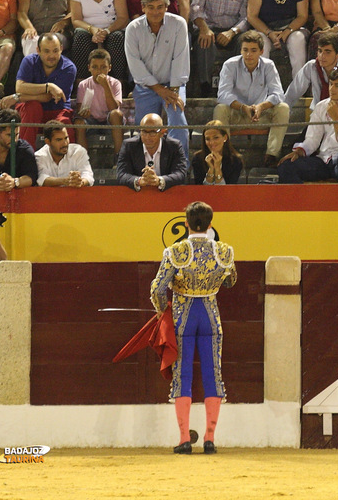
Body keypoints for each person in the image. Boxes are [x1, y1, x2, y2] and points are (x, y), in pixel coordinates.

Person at [150, 200, 237, 454]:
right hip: (210, 315)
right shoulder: (224, 251)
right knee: (213, 374)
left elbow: (157, 288)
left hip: (183, 317)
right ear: (210, 224)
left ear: (186, 223)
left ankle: (183, 439)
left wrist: (161, 311)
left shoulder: (175, 252)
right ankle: (209, 439)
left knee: (183, 376)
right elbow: (231, 281)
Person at [125, 0, 190, 162]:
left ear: (167, 7)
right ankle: (144, 168)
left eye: (160, 6)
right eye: (151, 7)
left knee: (178, 120)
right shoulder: (133, 28)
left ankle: (181, 166)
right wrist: (158, 89)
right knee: (145, 129)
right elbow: (135, 64)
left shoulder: (178, 24)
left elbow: (180, 59)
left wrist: (173, 91)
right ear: (143, 8)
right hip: (146, 86)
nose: (156, 11)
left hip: (173, 84)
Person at [278, 66, 338, 183]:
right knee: (287, 166)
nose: (332, 89)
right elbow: (313, 139)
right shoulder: (322, 106)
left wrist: (337, 120)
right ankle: (304, 201)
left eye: (337, 85)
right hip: (325, 160)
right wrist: (300, 151)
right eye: (331, 84)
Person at [214, 30, 289, 167]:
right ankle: (223, 156)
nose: (248, 54)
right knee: (220, 109)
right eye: (245, 50)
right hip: (237, 113)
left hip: (260, 114)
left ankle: (272, 155)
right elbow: (223, 94)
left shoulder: (268, 65)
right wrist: (243, 107)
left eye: (253, 50)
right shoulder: (230, 65)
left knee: (283, 108)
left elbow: (278, 94)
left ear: (261, 51)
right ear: (240, 50)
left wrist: (261, 107)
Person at [0, 33, 77, 149]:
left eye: (55, 50)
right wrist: (49, 86)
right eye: (46, 51)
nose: (51, 55)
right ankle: (24, 156)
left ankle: (66, 165)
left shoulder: (69, 68)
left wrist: (17, 97)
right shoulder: (29, 61)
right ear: (38, 50)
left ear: (61, 49)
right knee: (33, 107)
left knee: (64, 124)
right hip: (31, 112)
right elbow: (20, 87)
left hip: (57, 110)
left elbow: (47, 97)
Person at [191, 0, 250, 97]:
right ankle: (205, 85)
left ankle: (241, 85)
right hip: (208, 27)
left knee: (248, 40)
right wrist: (204, 28)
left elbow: (246, 17)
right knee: (204, 40)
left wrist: (232, 32)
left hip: (232, 31)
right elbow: (196, 9)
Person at [247, 0, 309, 79]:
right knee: (260, 42)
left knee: (297, 40)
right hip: (264, 28)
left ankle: (299, 88)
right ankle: (262, 87)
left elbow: (302, 16)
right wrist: (269, 33)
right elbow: (252, 16)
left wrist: (287, 31)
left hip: (292, 28)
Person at [70, 0, 129, 83]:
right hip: (88, 29)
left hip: (113, 28)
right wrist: (92, 30)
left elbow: (123, 17)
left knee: (117, 39)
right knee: (80, 37)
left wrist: (106, 31)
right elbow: (76, 20)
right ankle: (81, 83)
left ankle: (119, 83)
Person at [285, 32, 338, 111]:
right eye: (320, 51)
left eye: (327, 52)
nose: (322, 56)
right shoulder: (312, 66)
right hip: (318, 116)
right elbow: (291, 94)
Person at [74, 48, 124, 161]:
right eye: (95, 67)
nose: (99, 71)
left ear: (109, 68)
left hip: (109, 121)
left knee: (116, 114)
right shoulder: (83, 84)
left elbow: (114, 108)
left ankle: (119, 158)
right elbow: (80, 111)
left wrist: (106, 85)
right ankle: (83, 161)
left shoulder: (115, 83)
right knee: (79, 123)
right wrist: (84, 113)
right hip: (91, 120)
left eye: (103, 67)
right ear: (89, 68)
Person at [117, 113, 186, 191]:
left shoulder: (174, 146)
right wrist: (139, 180)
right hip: (138, 196)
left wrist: (159, 180)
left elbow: (180, 174)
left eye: (152, 132)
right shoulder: (129, 146)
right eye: (144, 132)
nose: (147, 137)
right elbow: (121, 175)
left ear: (162, 132)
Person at [35, 120, 94, 187]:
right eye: (59, 140)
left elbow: (88, 175)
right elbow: (42, 179)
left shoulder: (78, 151)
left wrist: (80, 182)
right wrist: (66, 181)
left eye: (66, 138)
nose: (65, 143)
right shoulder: (40, 156)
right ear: (48, 141)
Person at [192, 120, 243, 185]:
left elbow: (229, 189)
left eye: (216, 138)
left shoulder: (236, 160)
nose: (211, 142)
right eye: (207, 139)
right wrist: (211, 169)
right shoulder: (197, 158)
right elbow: (199, 188)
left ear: (225, 137)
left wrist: (217, 169)